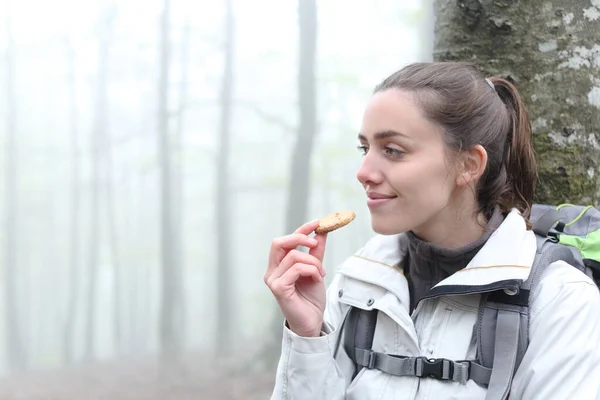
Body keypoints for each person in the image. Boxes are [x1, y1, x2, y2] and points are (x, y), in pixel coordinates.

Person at [264, 62, 600, 399]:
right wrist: (307, 336)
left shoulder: (559, 300)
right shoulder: (358, 284)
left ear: (469, 165)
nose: (363, 172)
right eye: (364, 149)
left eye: (393, 150)